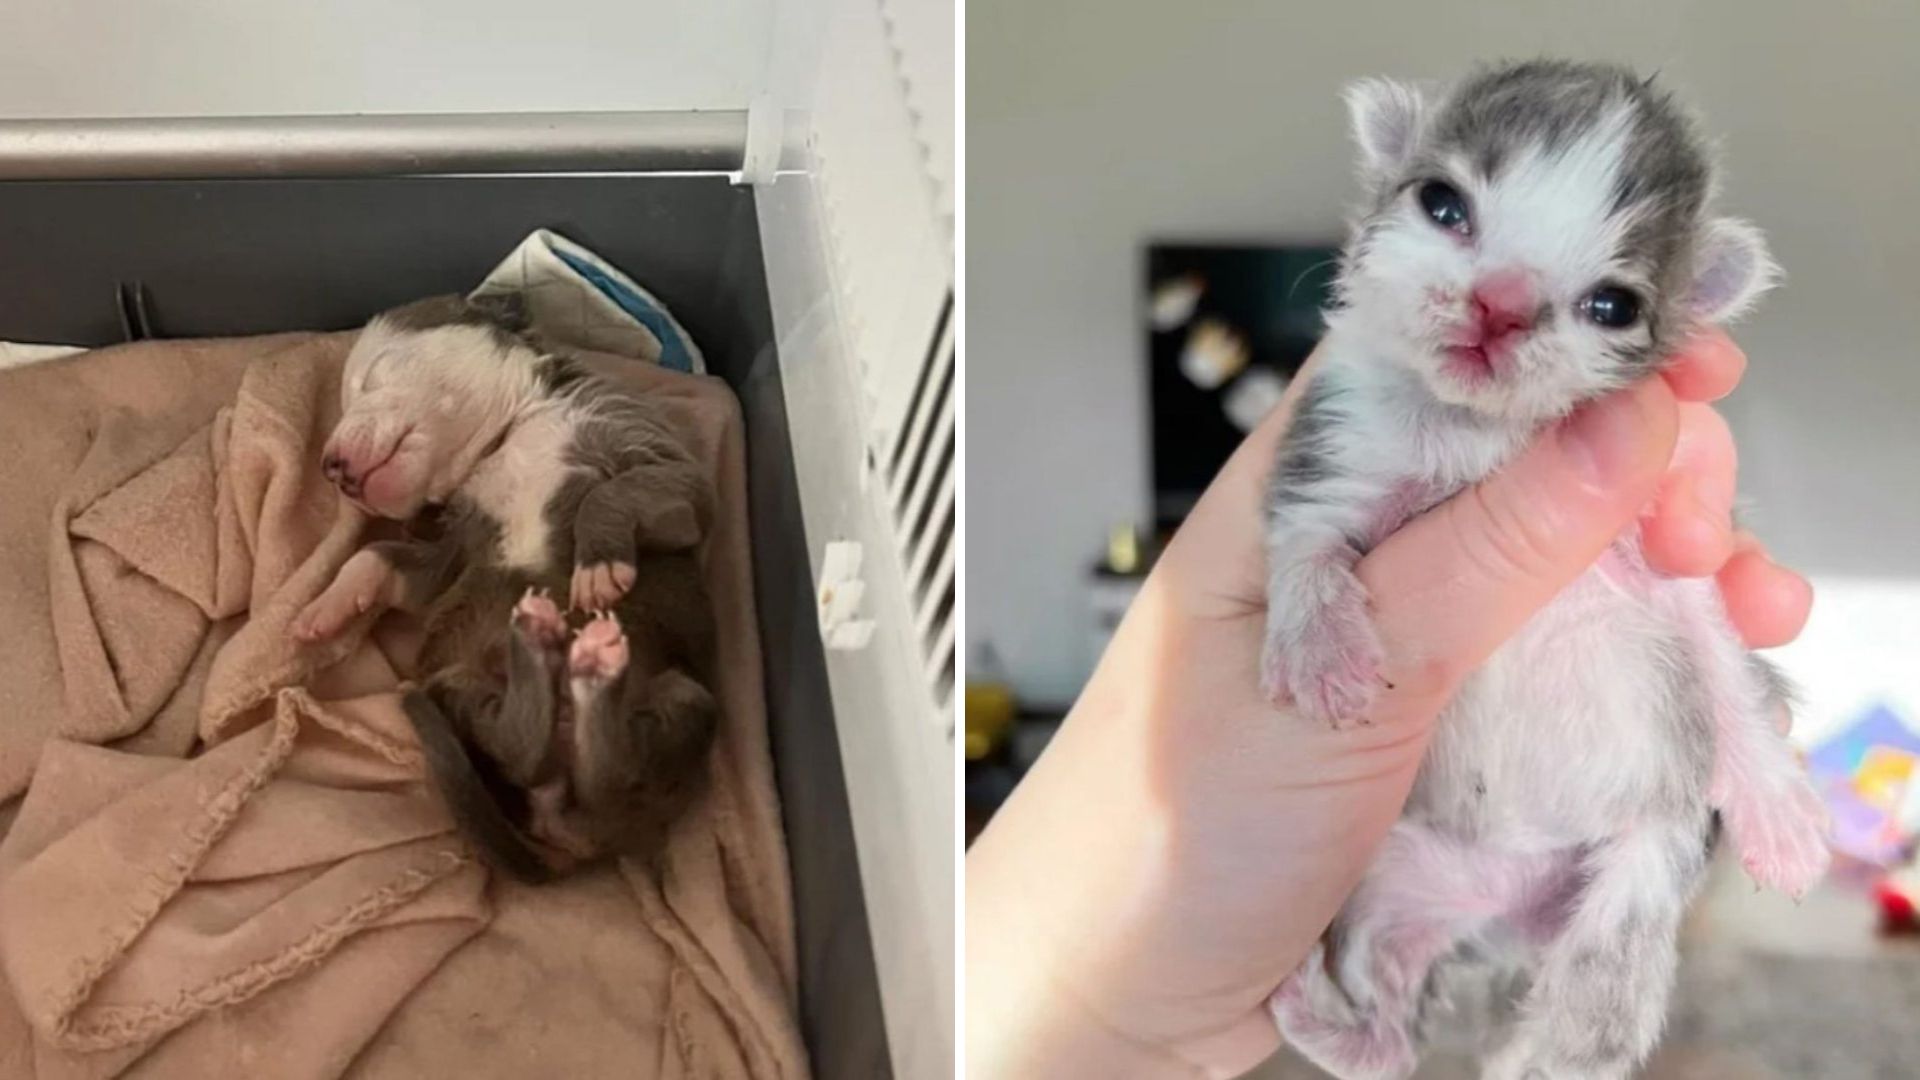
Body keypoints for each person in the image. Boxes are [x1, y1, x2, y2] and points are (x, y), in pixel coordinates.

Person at [965, 330, 1812, 1078]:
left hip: (1613, 818)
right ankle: (1381, 1023)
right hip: (1435, 835)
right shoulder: (1387, 429)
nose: (1503, 324)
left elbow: (1700, 627)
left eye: (1608, 307)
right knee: (1391, 896)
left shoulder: (1633, 475)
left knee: (1649, 863)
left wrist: (1758, 777)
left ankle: (1573, 1058)